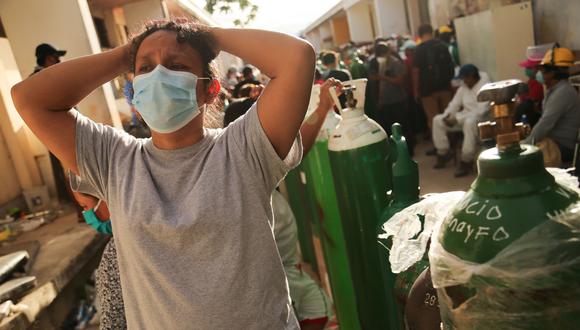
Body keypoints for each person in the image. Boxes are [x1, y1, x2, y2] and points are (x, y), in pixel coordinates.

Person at [12, 19, 316, 329]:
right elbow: (29, 99)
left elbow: (297, 58)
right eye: (145, 69)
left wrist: (207, 37)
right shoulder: (115, 160)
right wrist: (125, 54)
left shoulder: (244, 148)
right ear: (135, 95)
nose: (159, 75)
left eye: (176, 64)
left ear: (209, 89)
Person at [223, 79, 341, 330]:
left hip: (279, 280)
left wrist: (321, 110)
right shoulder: (246, 177)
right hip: (271, 283)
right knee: (317, 307)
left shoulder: (250, 170)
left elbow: (298, 145)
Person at [70, 186, 126, 329]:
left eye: (85, 206)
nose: (86, 215)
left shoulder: (116, 255)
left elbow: (113, 323)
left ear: (106, 199)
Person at [524, 45, 580, 163]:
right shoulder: (555, 90)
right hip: (554, 142)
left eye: (543, 71)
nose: (540, 74)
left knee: (525, 162)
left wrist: (526, 145)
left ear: (552, 73)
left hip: (563, 147)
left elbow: (545, 123)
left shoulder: (563, 92)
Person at [31, 43, 72, 205]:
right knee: (71, 173)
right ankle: (84, 211)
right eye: (57, 58)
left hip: (57, 132)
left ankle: (84, 210)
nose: (59, 61)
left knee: (72, 172)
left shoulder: (42, 77)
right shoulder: (40, 79)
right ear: (48, 59)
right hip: (58, 133)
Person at [432, 64, 490, 177]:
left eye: (464, 78)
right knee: (437, 120)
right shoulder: (464, 87)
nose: (463, 81)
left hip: (481, 120)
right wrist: (447, 115)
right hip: (464, 117)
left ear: (472, 76)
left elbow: (481, 111)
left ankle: (466, 160)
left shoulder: (485, 87)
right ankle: (443, 152)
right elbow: (454, 104)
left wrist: (457, 118)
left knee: (469, 123)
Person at [413, 24, 455, 145]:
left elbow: (416, 71)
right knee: (447, 117)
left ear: (420, 35)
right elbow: (450, 65)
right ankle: (452, 143)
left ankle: (441, 149)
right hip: (445, 88)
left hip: (428, 91)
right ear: (431, 32)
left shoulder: (419, 50)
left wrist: (416, 90)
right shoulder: (442, 46)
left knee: (434, 120)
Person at [368, 42, 410, 138]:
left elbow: (401, 81)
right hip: (385, 102)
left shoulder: (395, 63)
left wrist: (382, 77)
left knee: (402, 127)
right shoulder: (378, 63)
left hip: (397, 100)